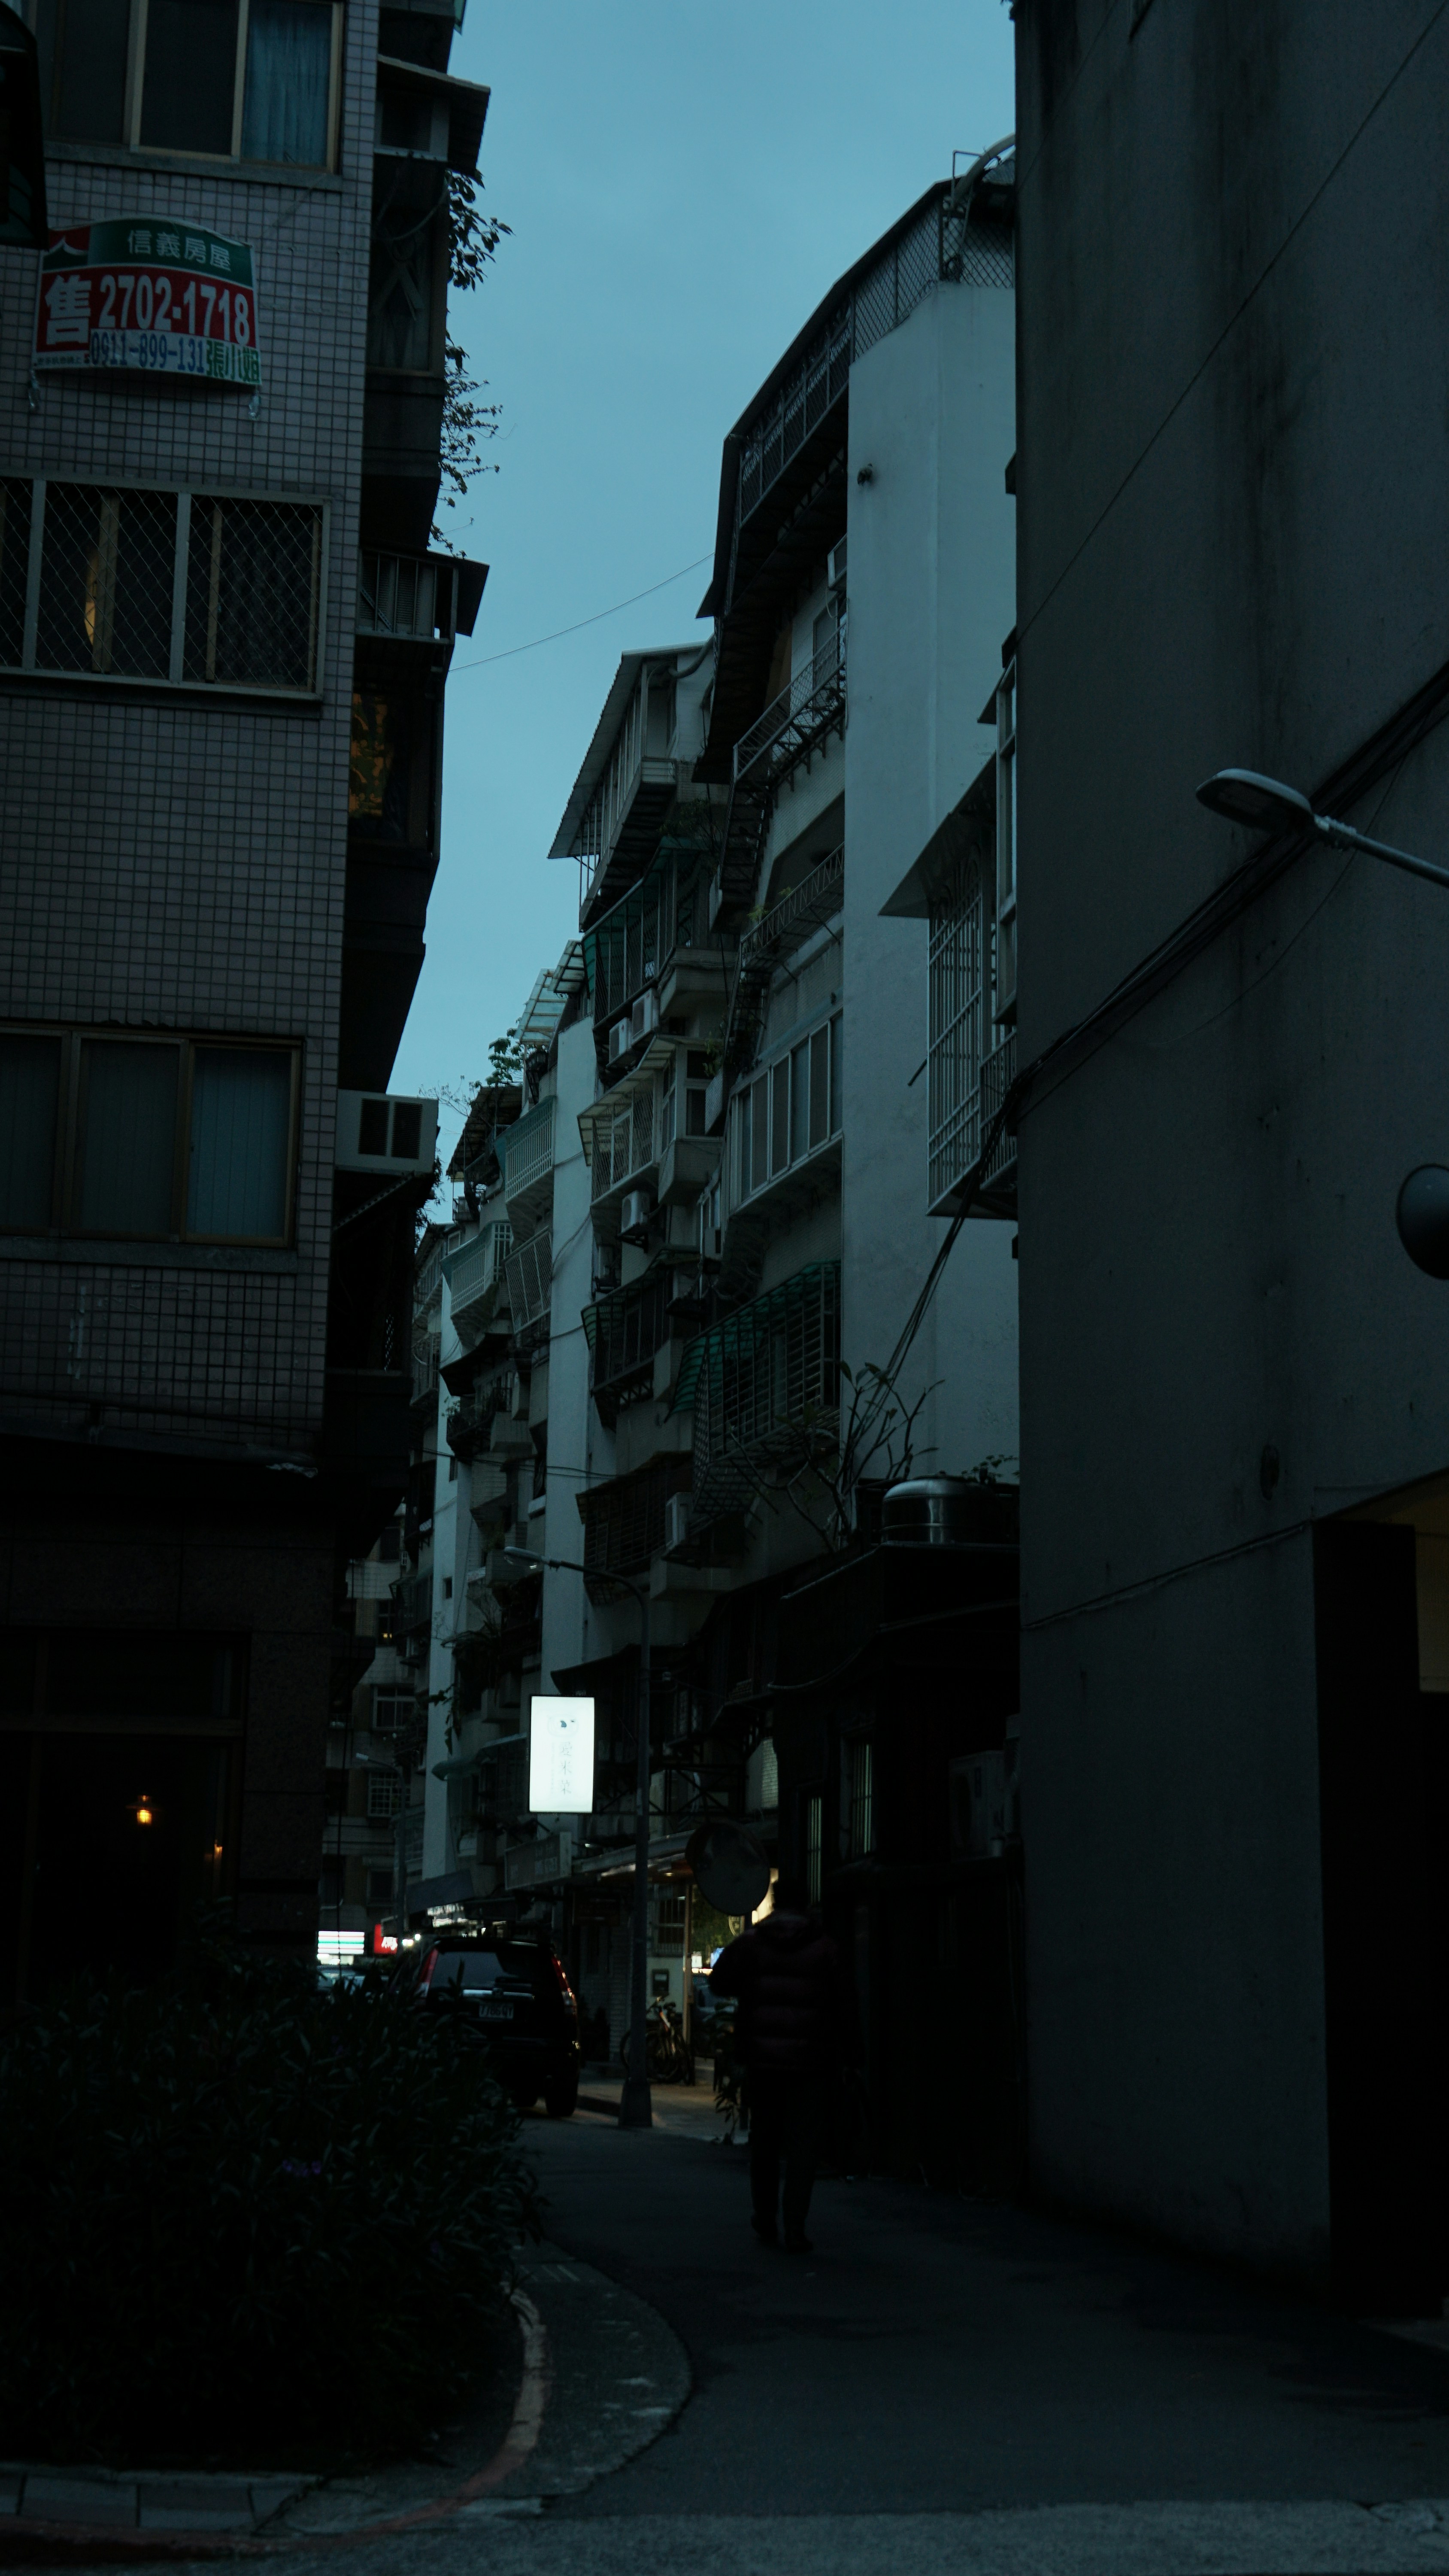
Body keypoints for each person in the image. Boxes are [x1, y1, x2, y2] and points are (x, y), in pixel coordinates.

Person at [709, 1873, 846, 2252]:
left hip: (763, 2059)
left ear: (774, 1902)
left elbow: (719, 1981)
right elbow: (843, 2002)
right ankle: (796, 2225)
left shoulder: (753, 1943)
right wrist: (850, 2051)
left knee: (765, 2142)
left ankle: (765, 2216)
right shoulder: (825, 1947)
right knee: (804, 2146)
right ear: (806, 1903)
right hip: (810, 2061)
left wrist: (752, 1988)